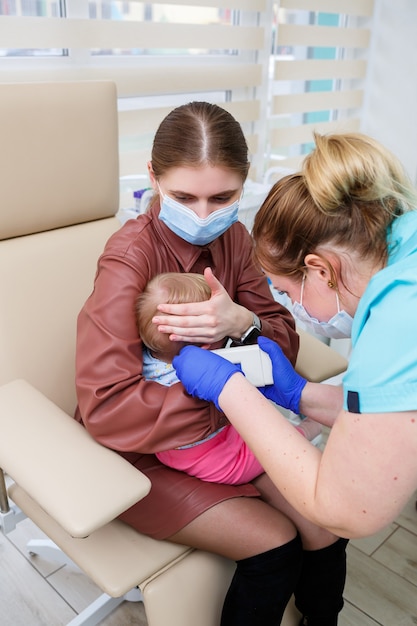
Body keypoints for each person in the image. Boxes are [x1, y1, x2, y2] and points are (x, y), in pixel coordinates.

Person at [75, 102, 348, 626]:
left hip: (233, 431)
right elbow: (107, 409)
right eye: (183, 197)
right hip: (152, 450)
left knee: (326, 527)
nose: (204, 215)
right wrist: (232, 396)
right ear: (153, 178)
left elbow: (282, 340)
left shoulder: (236, 239)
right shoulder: (128, 259)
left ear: (243, 185)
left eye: (222, 197)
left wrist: (241, 323)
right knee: (277, 543)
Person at [172, 130, 417, 542]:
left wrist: (230, 389)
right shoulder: (403, 244)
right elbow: (390, 419)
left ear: (321, 270)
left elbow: (343, 511)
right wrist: (297, 393)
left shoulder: (396, 322)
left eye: (285, 291)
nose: (288, 305)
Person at [136, 271, 322, 485]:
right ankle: (305, 431)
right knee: (266, 452)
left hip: (169, 449)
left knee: (258, 428)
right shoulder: (203, 367)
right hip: (216, 459)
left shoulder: (145, 361)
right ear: (205, 344)